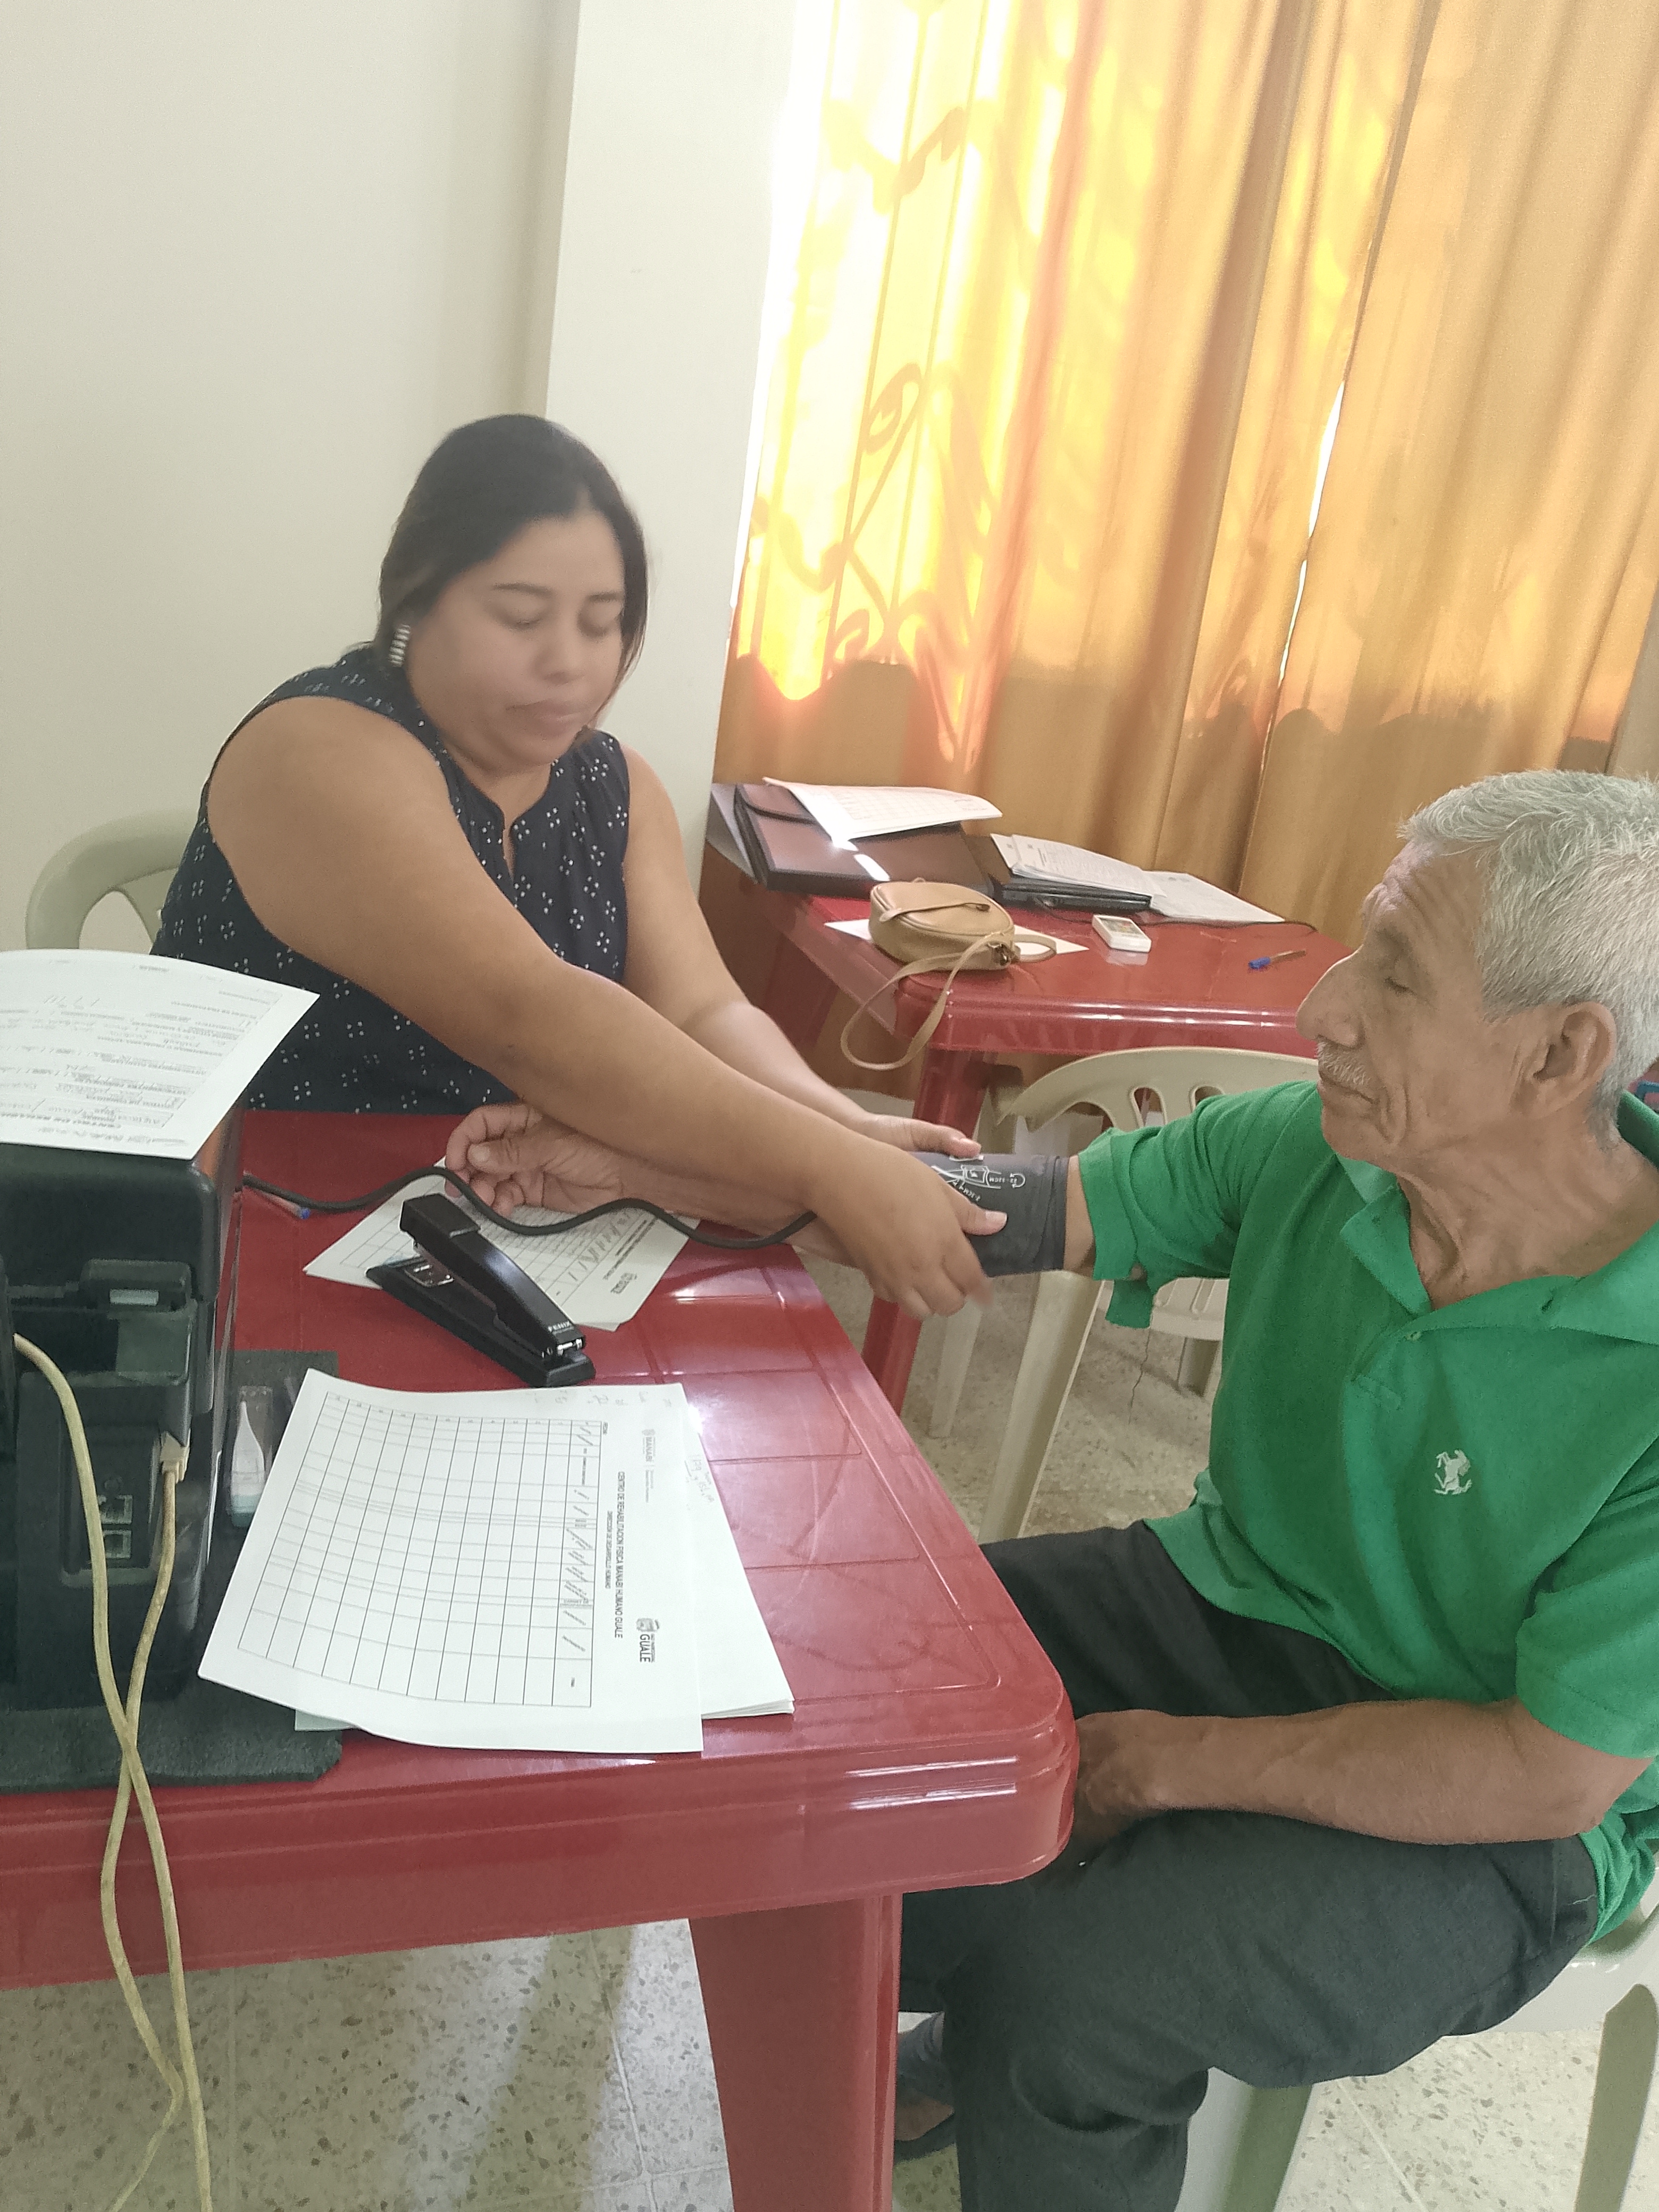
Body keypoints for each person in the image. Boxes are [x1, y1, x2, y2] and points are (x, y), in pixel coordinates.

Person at [447, 769, 1659, 2211]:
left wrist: (1170, 1764)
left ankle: (1007, 2040)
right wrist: (635, 1166)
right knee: (823, 1722)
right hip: (1235, 1605)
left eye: (1395, 977)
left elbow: (1546, 1769)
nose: (1322, 1010)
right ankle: (967, 2027)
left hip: (1513, 1815)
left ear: (1560, 1053)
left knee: (1075, 1997)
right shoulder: (1316, 1153)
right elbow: (978, 1213)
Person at [153, 414, 993, 1320]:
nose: (568, 663)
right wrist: (828, 1166)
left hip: (510, 1223)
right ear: (415, 604)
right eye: (520, 617)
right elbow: (529, 1014)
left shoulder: (615, 785)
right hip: (245, 1229)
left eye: (603, 624)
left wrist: (847, 1125)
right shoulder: (320, 750)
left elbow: (704, 1012)